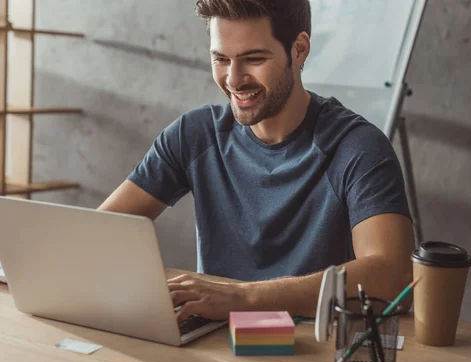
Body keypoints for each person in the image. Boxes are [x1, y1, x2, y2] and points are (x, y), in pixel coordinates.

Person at [99, 0, 415, 323]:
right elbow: (94, 235)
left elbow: (393, 277)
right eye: (221, 59)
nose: (234, 79)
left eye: (253, 59)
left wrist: (243, 299)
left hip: (312, 357)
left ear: (299, 49)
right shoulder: (194, 136)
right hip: (214, 349)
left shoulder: (358, 148)